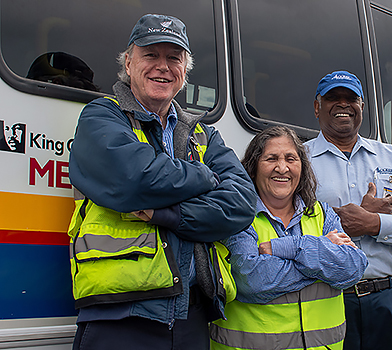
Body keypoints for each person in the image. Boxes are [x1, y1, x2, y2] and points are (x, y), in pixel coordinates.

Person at [67, 14, 256, 350]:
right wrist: (204, 176)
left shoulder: (204, 134)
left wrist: (166, 214)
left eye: (174, 57)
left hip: (191, 317)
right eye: (151, 55)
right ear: (128, 62)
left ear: (185, 69)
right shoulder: (102, 115)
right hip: (121, 317)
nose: (163, 67)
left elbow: (241, 204)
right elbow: (135, 180)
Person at [304, 71, 392, 350]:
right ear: (317, 107)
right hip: (327, 300)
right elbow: (288, 229)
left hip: (388, 300)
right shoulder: (300, 160)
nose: (343, 104)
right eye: (332, 98)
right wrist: (344, 226)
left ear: (362, 107)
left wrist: (374, 223)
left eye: (351, 98)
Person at [210, 126, 368, 350]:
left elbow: (353, 268)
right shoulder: (238, 215)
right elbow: (251, 279)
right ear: (253, 167)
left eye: (291, 159)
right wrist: (323, 259)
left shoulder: (322, 214)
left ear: (302, 167)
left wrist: (291, 248)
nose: (282, 168)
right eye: (271, 158)